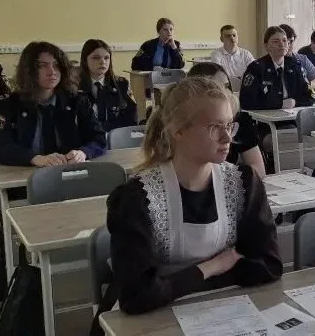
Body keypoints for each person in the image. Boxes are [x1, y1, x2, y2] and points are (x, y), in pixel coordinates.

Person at [106, 77, 281, 314]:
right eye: (214, 127)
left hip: (218, 308)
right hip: (151, 318)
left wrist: (171, 282)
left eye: (229, 125)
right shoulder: (136, 198)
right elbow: (137, 296)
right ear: (178, 130)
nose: (227, 138)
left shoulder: (244, 183)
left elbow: (269, 265)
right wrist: (213, 266)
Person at [0, 41, 106, 168]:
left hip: (69, 172)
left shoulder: (77, 100)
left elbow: (99, 138)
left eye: (56, 65)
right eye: (42, 66)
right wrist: (34, 158)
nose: (52, 71)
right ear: (29, 70)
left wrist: (83, 152)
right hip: (25, 175)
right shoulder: (7, 104)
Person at [240, 26, 315, 173]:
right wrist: (279, 103)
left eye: (285, 40)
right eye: (276, 41)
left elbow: (309, 96)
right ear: (266, 45)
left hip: (293, 120)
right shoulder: (256, 68)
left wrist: (295, 102)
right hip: (264, 125)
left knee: (311, 137)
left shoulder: (294, 65)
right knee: (284, 138)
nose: (282, 44)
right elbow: (247, 101)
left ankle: (302, 171)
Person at [188, 62, 265, 178]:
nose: (225, 92)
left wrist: (228, 179)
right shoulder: (190, 124)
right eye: (217, 88)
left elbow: (258, 169)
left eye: (227, 86)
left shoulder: (240, 120)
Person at [78, 39, 138, 132]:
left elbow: (130, 117)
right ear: (85, 60)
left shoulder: (120, 85)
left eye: (106, 58)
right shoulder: (75, 86)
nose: (103, 62)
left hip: (114, 136)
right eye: (96, 58)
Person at [278, 24, 315, 88]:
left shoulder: (302, 59)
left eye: (291, 41)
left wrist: (306, 85)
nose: (288, 45)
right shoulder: (269, 61)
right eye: (284, 41)